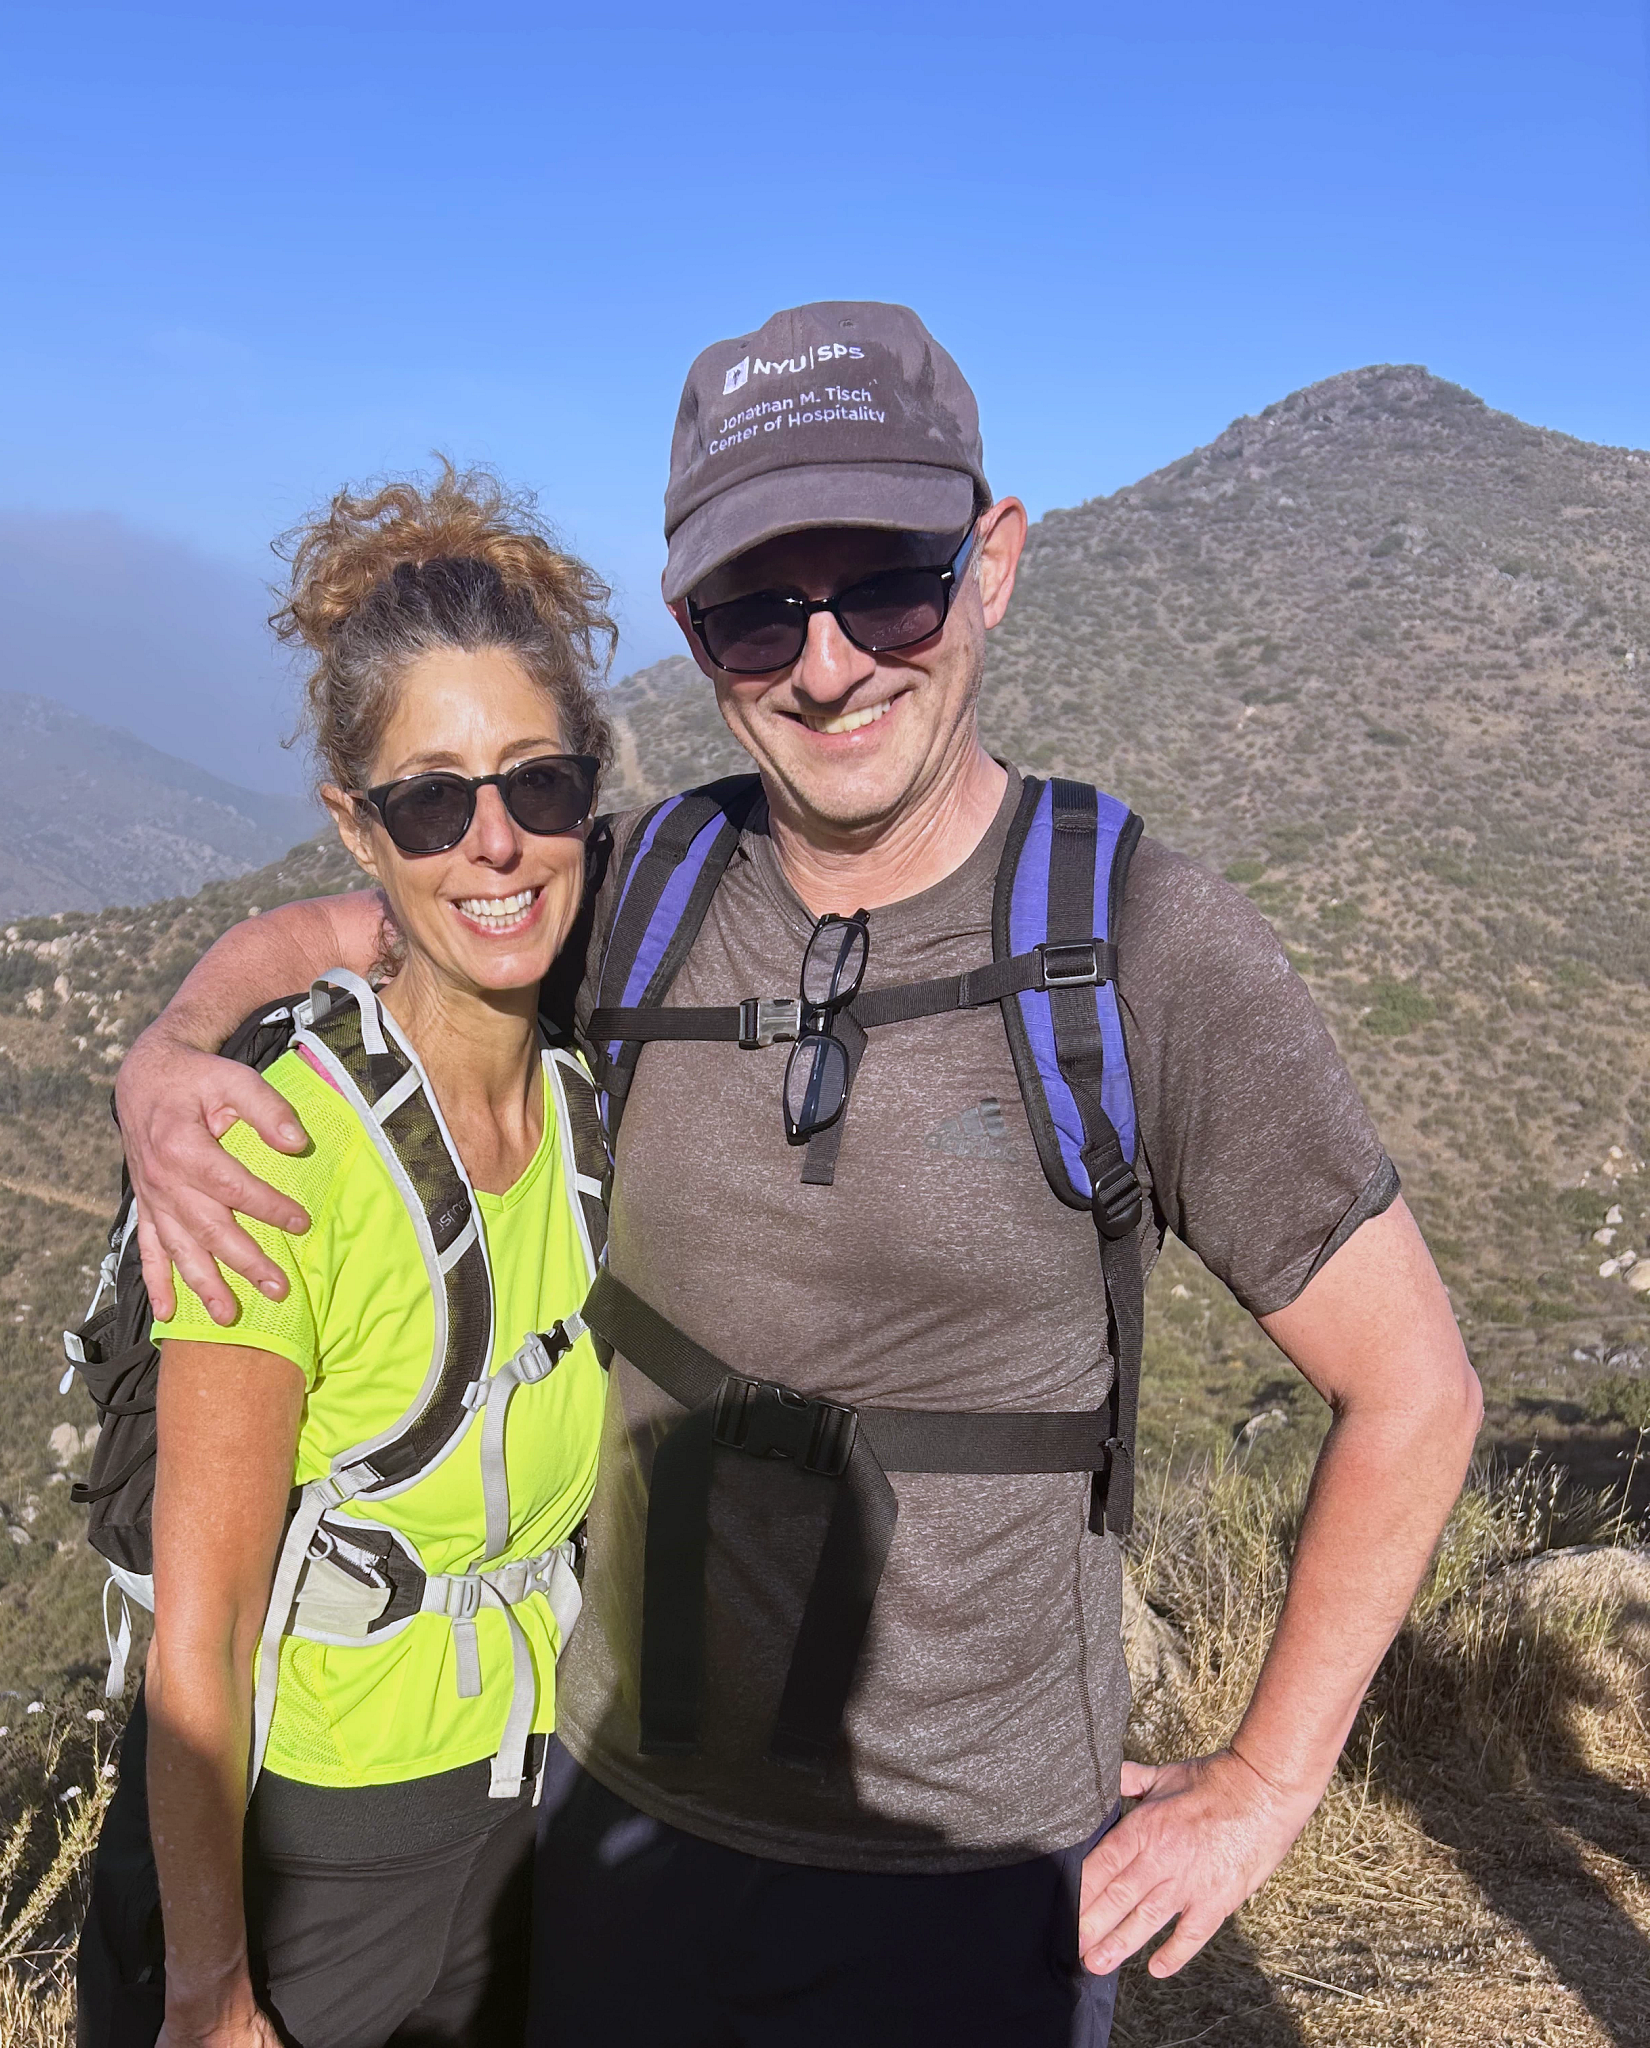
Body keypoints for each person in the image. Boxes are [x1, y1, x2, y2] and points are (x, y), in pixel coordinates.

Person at [111, 304, 1483, 2047]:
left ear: (993, 565)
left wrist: (1270, 1781)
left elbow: (1416, 1390)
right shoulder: (647, 885)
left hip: (969, 1883)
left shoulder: (1135, 944)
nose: (827, 667)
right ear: (695, 631)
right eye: (761, 610)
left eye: (889, 590)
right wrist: (172, 1051)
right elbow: (398, 917)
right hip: (620, 1839)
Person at [75, 465, 618, 2048]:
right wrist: (210, 1990)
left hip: (524, 1823)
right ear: (357, 828)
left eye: (537, 786)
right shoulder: (275, 1156)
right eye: (432, 803)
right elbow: (203, 1634)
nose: (496, 844)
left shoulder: (588, 1091)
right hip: (316, 1854)